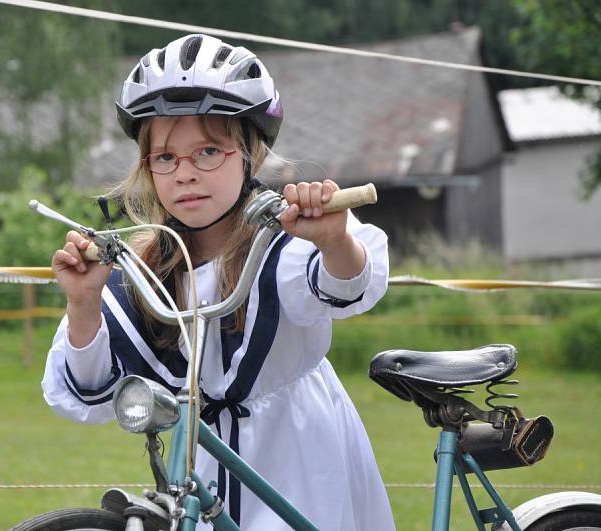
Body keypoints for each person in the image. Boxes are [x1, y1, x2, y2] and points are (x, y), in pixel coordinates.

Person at [42, 34, 395, 530]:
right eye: (164, 158)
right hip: (200, 459)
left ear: (250, 153)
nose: (184, 174)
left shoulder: (283, 240)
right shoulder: (142, 268)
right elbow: (88, 394)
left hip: (297, 452)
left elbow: (347, 286)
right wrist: (83, 303)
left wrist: (333, 239)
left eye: (208, 151)